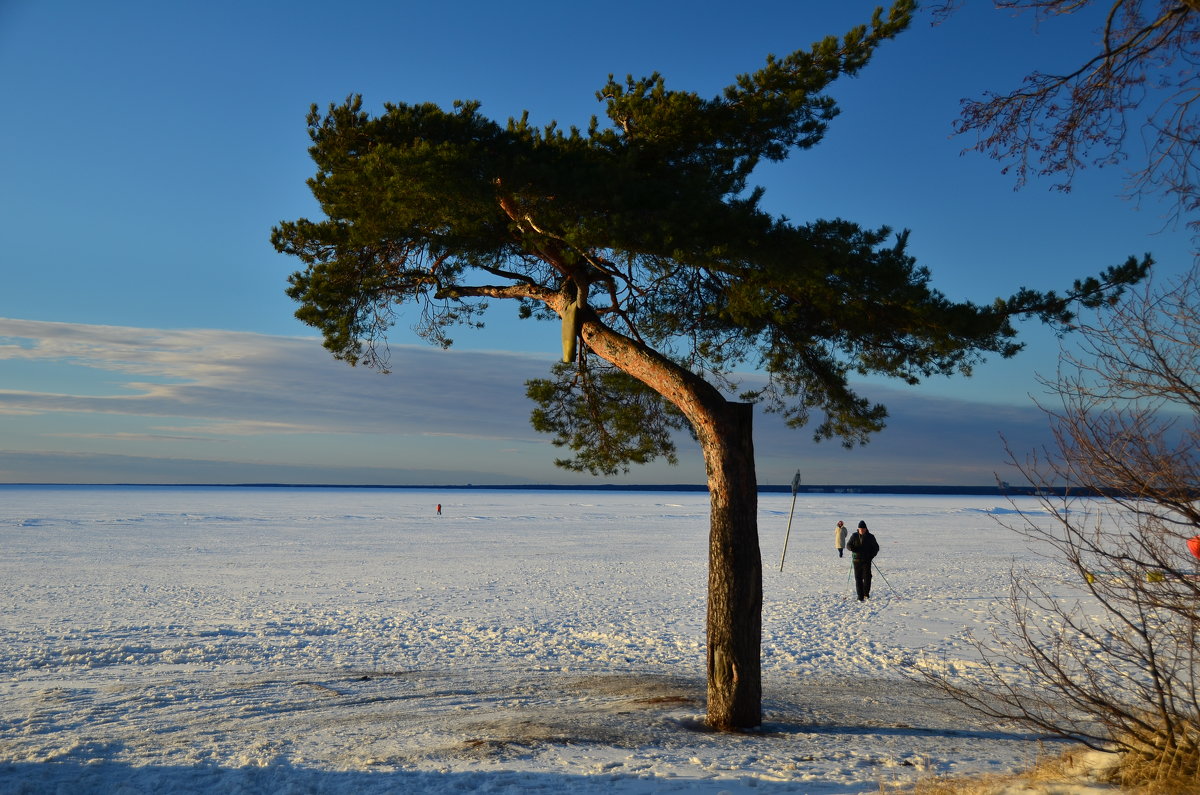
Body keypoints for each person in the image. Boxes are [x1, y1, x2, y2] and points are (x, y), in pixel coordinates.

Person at [846, 520, 879, 601]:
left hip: (866, 561)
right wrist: (851, 548)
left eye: (863, 529)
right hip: (856, 561)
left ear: (866, 529)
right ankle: (860, 596)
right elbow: (848, 545)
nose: (862, 530)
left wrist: (871, 556)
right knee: (858, 579)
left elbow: (876, 548)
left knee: (867, 578)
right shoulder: (854, 536)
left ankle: (866, 593)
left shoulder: (871, 537)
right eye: (860, 529)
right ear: (858, 529)